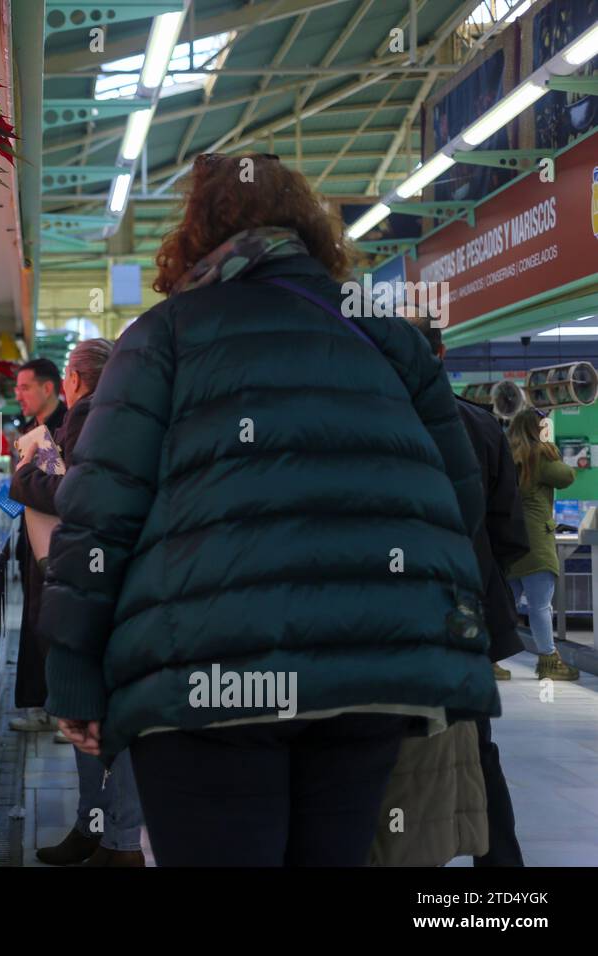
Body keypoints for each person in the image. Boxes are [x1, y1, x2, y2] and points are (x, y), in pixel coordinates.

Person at [39, 152, 499, 867]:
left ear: (195, 235)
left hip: (206, 669)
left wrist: (74, 669)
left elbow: (100, 514)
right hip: (367, 674)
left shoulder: (165, 336)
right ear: (308, 228)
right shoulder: (385, 336)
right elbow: (461, 495)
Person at [13, 339, 145, 867]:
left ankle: (117, 838)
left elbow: (78, 495)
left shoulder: (93, 418)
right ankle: (106, 832)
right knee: (102, 709)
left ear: (72, 378)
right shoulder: (123, 416)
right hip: (118, 582)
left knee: (94, 708)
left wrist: (25, 474)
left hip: (96, 582)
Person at [413, 320, 528, 867]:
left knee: (387, 756)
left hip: (395, 621)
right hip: (468, 616)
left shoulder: (375, 419)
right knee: (476, 749)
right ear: (441, 351)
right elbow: (509, 535)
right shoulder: (482, 425)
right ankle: (501, 873)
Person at [9, 357, 66, 733]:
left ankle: (64, 708)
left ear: (50, 387)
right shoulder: (31, 428)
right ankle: (40, 706)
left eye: (25, 387)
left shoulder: (70, 426)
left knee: (57, 623)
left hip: (62, 545)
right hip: (34, 543)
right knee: (35, 620)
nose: (18, 395)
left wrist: (23, 478)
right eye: (16, 388)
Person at [506, 409, 581, 681]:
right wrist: (549, 448)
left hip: (509, 538)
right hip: (536, 541)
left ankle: (486, 659)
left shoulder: (506, 455)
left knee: (506, 604)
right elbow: (567, 477)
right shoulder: (538, 455)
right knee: (540, 606)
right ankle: (549, 660)